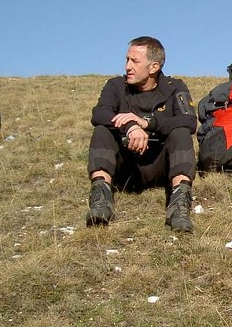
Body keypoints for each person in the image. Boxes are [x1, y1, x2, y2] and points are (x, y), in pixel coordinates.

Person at [85, 36, 198, 232]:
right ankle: (101, 200)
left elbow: (189, 121)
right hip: (126, 166)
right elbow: (100, 113)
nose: (128, 66)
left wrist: (147, 123)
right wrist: (130, 126)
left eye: (135, 61)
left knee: (181, 132)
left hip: (161, 166)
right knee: (102, 130)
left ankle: (179, 207)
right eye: (127, 60)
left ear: (153, 67)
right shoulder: (115, 85)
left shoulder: (174, 87)